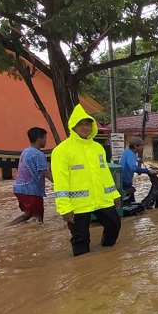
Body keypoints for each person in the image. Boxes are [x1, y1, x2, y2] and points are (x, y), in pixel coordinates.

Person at [52, 104, 121, 257]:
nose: (85, 128)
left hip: (102, 199)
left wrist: (114, 193)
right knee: (81, 238)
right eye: (81, 125)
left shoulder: (98, 148)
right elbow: (60, 181)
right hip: (78, 205)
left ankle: (108, 257)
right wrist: (65, 208)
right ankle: (82, 269)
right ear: (73, 126)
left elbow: (105, 173)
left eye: (88, 124)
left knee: (114, 225)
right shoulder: (62, 151)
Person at [9, 127, 53, 225]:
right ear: (39, 140)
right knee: (38, 219)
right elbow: (45, 172)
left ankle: (7, 227)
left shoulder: (26, 151)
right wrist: (58, 182)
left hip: (19, 189)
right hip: (31, 192)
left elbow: (45, 164)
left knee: (28, 214)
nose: (46, 140)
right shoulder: (39, 154)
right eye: (45, 138)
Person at [120, 136, 151, 203]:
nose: (142, 148)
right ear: (136, 146)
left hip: (122, 181)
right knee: (131, 205)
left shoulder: (127, 152)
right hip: (126, 182)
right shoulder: (131, 154)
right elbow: (133, 167)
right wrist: (147, 171)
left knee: (132, 203)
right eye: (141, 146)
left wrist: (140, 169)